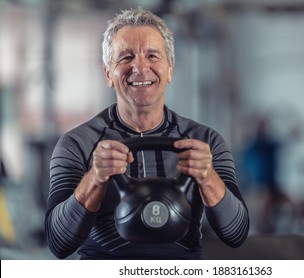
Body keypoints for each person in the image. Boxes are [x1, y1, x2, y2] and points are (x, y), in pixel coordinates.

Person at [44, 7, 249, 260]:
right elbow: (58, 243)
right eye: (125, 58)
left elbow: (236, 234)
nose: (140, 67)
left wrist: (208, 179)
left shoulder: (206, 142)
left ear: (170, 70)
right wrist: (95, 179)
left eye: (152, 55)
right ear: (108, 74)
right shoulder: (77, 144)